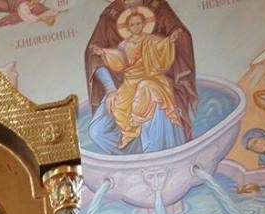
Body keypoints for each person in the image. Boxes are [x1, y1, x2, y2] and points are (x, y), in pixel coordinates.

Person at [83, 0, 196, 153]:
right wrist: (104, 56)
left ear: (144, 24)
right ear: (128, 27)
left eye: (138, 24)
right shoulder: (119, 32)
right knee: (98, 130)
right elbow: (116, 58)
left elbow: (164, 46)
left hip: (153, 79)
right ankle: (132, 155)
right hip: (128, 84)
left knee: (147, 91)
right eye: (132, 25)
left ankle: (152, 150)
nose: (136, 27)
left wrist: (171, 40)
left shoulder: (154, 24)